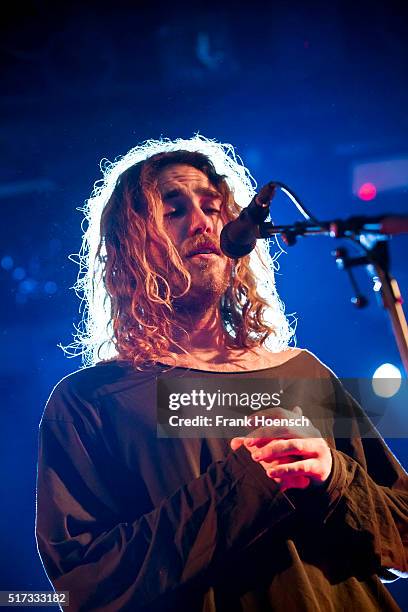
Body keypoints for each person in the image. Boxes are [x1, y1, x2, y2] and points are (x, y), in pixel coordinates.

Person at [36, 136, 408, 611]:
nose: (202, 222)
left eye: (213, 207)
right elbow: (84, 584)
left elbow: (403, 533)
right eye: (173, 212)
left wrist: (334, 476)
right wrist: (243, 484)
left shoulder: (303, 371)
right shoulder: (93, 400)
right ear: (130, 248)